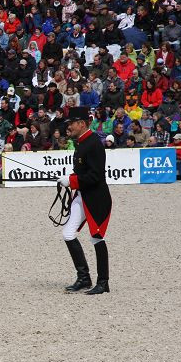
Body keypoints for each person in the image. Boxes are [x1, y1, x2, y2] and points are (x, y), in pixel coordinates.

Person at [57, 107, 112, 295]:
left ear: (81, 124)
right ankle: (84, 278)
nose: (68, 127)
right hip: (82, 196)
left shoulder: (94, 143)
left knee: (97, 238)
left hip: (96, 198)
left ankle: (103, 282)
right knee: (68, 233)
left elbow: (96, 176)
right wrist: (70, 178)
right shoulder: (81, 143)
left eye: (71, 124)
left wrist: (71, 181)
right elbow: (83, 172)